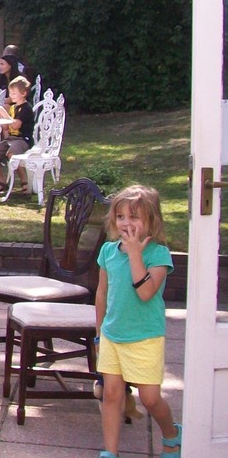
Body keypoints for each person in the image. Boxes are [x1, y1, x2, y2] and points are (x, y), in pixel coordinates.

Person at [95, 185, 180, 458]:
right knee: (111, 395)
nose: (126, 223)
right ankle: (110, 452)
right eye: (121, 217)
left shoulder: (158, 255)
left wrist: (134, 253)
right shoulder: (108, 251)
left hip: (145, 336)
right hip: (112, 335)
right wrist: (99, 334)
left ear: (151, 221)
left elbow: (145, 293)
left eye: (134, 217)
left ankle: (172, 433)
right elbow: (101, 294)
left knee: (150, 399)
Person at [0, 75, 34, 193]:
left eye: (14, 93)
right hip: (10, 139)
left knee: (12, 154)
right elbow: (7, 127)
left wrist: (4, 113)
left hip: (23, 139)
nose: (11, 96)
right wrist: (0, 116)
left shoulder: (26, 108)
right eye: (10, 93)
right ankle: (2, 182)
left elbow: (16, 125)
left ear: (23, 93)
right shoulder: (13, 108)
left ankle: (24, 181)